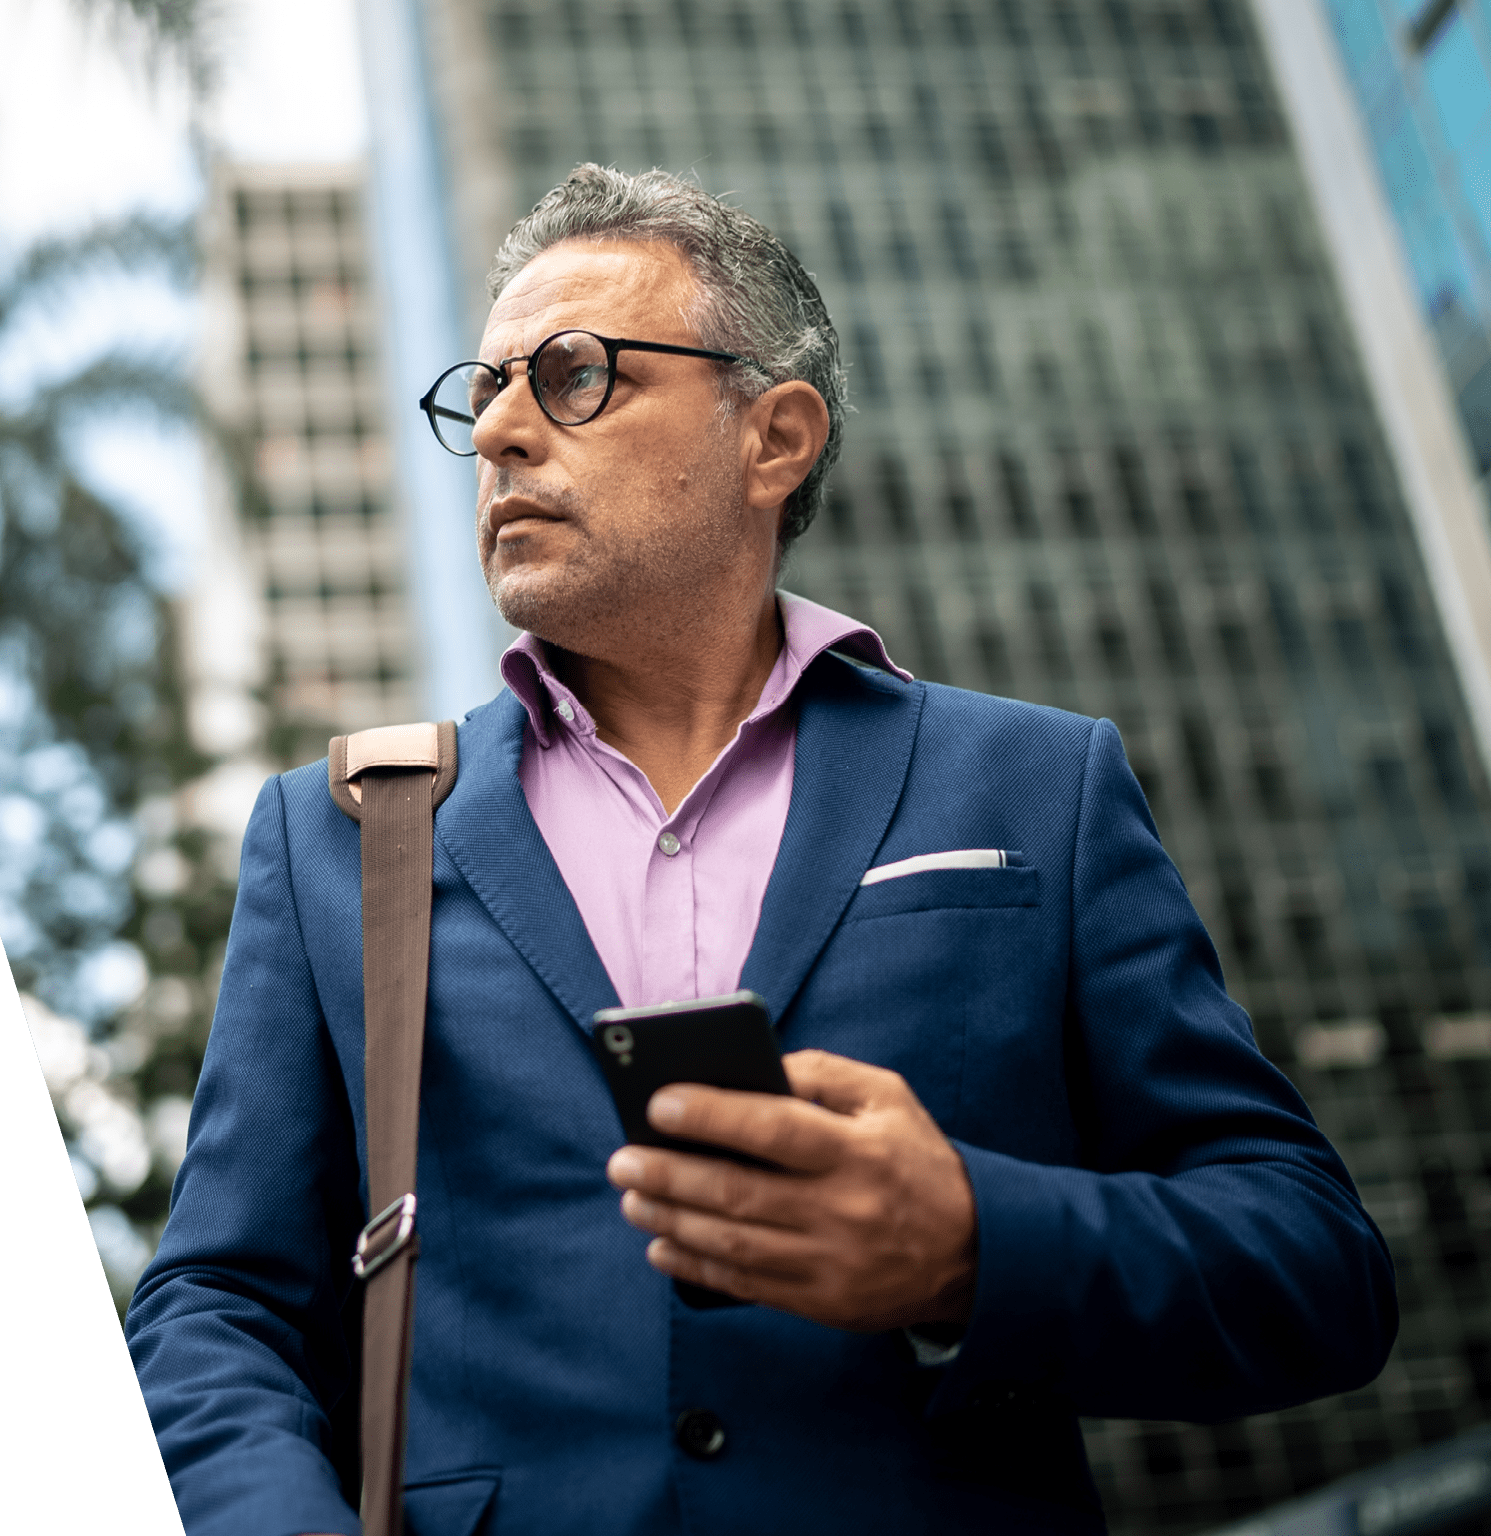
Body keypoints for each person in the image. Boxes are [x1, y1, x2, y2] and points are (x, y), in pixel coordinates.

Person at [126, 166, 1396, 1536]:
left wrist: (973, 1244)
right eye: (481, 391)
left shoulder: (1038, 784)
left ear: (774, 437)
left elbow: (1313, 1266)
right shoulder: (341, 839)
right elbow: (217, 1306)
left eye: (571, 376)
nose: (498, 430)